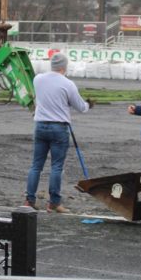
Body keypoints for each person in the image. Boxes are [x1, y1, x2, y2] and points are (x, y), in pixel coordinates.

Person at [25, 52, 94, 213]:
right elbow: (81, 107)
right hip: (59, 128)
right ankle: (54, 203)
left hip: (40, 126)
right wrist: (89, 105)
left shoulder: (38, 79)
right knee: (56, 167)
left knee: (36, 165)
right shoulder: (68, 84)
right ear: (64, 66)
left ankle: (29, 200)